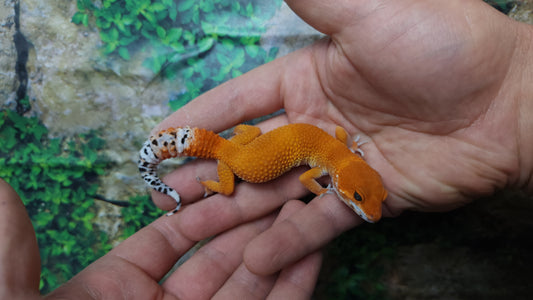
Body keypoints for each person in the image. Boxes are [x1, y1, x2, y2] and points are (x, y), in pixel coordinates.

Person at [1, 0, 532, 298]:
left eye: (362, 199)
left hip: (241, 146)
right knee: (223, 185)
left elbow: (323, 163)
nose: (365, 207)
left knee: (224, 167)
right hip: (232, 164)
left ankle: (171, 169)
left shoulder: (336, 152)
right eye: (359, 198)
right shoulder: (335, 156)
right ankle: (183, 174)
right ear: (352, 175)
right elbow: (310, 176)